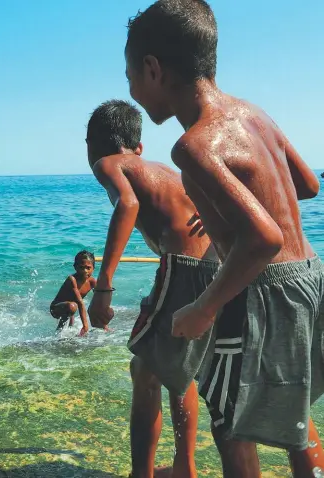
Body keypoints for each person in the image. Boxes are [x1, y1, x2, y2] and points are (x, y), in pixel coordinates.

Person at [124, 1, 323, 477]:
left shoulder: (193, 144)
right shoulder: (253, 114)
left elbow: (262, 239)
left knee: (230, 425)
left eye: (130, 73)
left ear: (153, 69)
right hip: (310, 278)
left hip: (260, 291)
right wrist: (232, 202)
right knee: (295, 414)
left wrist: (204, 307)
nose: (130, 88)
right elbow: (308, 185)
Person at [86, 100, 218, 478]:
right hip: (210, 267)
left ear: (91, 145)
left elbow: (126, 204)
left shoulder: (107, 163)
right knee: (178, 372)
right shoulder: (163, 171)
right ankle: (184, 467)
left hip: (182, 269)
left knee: (144, 371)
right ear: (138, 145)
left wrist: (105, 286)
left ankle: (142, 474)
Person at [50, 250, 97, 336]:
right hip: (56, 309)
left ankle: (69, 331)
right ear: (75, 267)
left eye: (88, 268)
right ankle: (58, 333)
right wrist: (85, 326)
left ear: (93, 268)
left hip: (71, 309)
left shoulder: (92, 281)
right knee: (72, 306)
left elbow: (99, 298)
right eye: (82, 267)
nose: (85, 271)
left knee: (72, 308)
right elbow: (79, 302)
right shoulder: (72, 279)